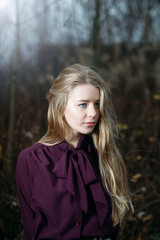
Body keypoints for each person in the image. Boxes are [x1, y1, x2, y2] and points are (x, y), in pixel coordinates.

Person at [15, 63, 133, 240]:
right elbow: (30, 225)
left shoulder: (104, 154)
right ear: (61, 107)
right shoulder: (31, 159)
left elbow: (112, 224)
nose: (93, 113)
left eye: (97, 104)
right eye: (83, 105)